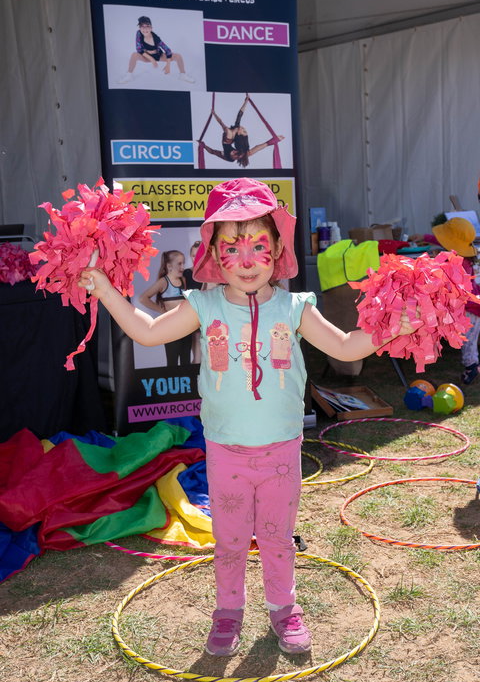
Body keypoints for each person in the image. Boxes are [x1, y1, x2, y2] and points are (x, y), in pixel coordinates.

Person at [79, 178, 416, 657]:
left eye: (258, 245)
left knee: (278, 539)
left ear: (276, 249)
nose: (246, 260)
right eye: (232, 248)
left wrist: (394, 326)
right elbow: (147, 332)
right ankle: (228, 612)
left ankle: (284, 608)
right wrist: (106, 290)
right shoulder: (203, 304)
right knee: (230, 541)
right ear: (215, 256)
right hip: (225, 451)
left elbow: (345, 347)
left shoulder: (295, 307)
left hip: (281, 450)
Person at [431, 217, 480, 384]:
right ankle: (472, 364)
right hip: (471, 304)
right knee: (470, 340)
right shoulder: (464, 257)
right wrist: (426, 238)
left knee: (469, 342)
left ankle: (472, 368)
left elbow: (444, 278)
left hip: (469, 308)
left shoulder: (456, 263)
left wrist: (436, 261)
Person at [138, 249, 191, 366]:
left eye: (183, 263)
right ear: (169, 266)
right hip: (171, 327)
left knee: (186, 360)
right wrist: (161, 310)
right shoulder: (164, 282)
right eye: (179, 264)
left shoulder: (183, 280)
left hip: (186, 326)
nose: (183, 267)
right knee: (172, 361)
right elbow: (143, 298)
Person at [201, 95, 284, 168]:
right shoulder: (237, 130)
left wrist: (204, 146)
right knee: (246, 152)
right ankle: (268, 142)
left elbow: (212, 151)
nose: (243, 128)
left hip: (228, 141)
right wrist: (246, 101)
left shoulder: (229, 139)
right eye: (244, 131)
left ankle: (267, 142)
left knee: (229, 136)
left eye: (244, 131)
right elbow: (240, 114)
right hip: (231, 140)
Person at [118, 16, 195, 84]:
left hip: (158, 56)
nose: (145, 29)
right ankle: (129, 75)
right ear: (139, 28)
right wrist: (151, 59)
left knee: (178, 56)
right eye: (142, 26)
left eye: (147, 26)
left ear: (151, 28)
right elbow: (139, 49)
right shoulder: (139, 33)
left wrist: (168, 65)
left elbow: (168, 50)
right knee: (134, 55)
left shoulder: (156, 38)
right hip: (146, 56)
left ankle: (183, 75)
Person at [183, 240, 203, 364]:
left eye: (199, 255)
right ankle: (195, 368)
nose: (196, 258)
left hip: (208, 313)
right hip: (193, 313)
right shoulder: (187, 273)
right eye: (193, 255)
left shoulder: (211, 274)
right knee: (197, 350)